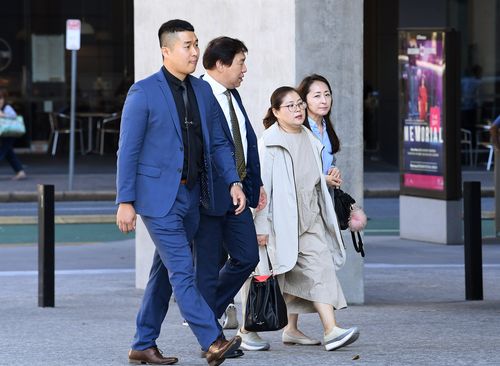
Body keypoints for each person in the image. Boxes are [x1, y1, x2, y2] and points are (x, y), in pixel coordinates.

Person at [116, 20, 244, 366]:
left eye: (196, 44)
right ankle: (213, 340)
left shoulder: (202, 91)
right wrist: (125, 201)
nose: (194, 51)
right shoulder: (143, 92)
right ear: (166, 50)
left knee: (164, 272)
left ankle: (143, 343)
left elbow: (219, 142)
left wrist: (233, 181)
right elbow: (128, 150)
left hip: (191, 197)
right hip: (158, 199)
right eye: (187, 45)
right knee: (183, 271)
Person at [253, 86, 359, 352]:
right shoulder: (270, 143)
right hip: (281, 223)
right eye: (290, 106)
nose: (298, 109)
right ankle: (248, 329)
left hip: (309, 218)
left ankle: (331, 330)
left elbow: (307, 178)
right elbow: (262, 189)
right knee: (275, 278)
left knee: (320, 266)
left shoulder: (309, 138)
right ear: (276, 112)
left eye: (300, 104)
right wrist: (261, 226)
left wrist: (325, 180)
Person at [193, 36, 268, 356]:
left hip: (237, 194)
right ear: (221, 64)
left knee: (247, 256)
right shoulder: (197, 93)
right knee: (207, 268)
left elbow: (245, 142)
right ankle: (210, 337)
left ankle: (205, 317)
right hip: (209, 195)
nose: (245, 69)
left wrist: (255, 182)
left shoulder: (232, 94)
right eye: (240, 62)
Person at [0, 89, 26, 180]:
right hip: (3, 134)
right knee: (9, 153)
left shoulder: (7, 108)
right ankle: (20, 172)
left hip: (10, 134)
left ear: (4, 99)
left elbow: (14, 116)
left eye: (1, 98)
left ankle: (20, 172)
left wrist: (3, 115)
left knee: (2, 151)